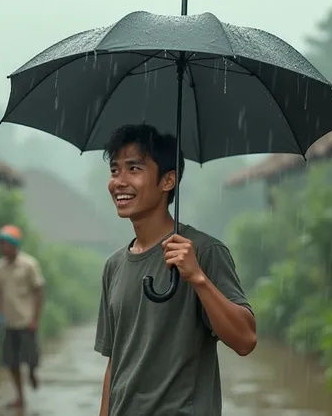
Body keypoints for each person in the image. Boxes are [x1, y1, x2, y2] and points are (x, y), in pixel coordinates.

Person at [95, 124, 257, 416]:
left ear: (168, 180)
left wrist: (198, 279)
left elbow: (245, 340)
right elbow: (114, 364)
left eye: (134, 169)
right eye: (114, 170)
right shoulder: (114, 266)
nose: (119, 182)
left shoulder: (204, 252)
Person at [0, 224, 45, 409]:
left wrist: (35, 319)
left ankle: (31, 373)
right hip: (8, 323)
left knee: (31, 358)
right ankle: (20, 397)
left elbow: (39, 292)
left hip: (26, 321)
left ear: (14, 245)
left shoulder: (29, 265)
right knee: (11, 361)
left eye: (4, 243)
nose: (1, 247)